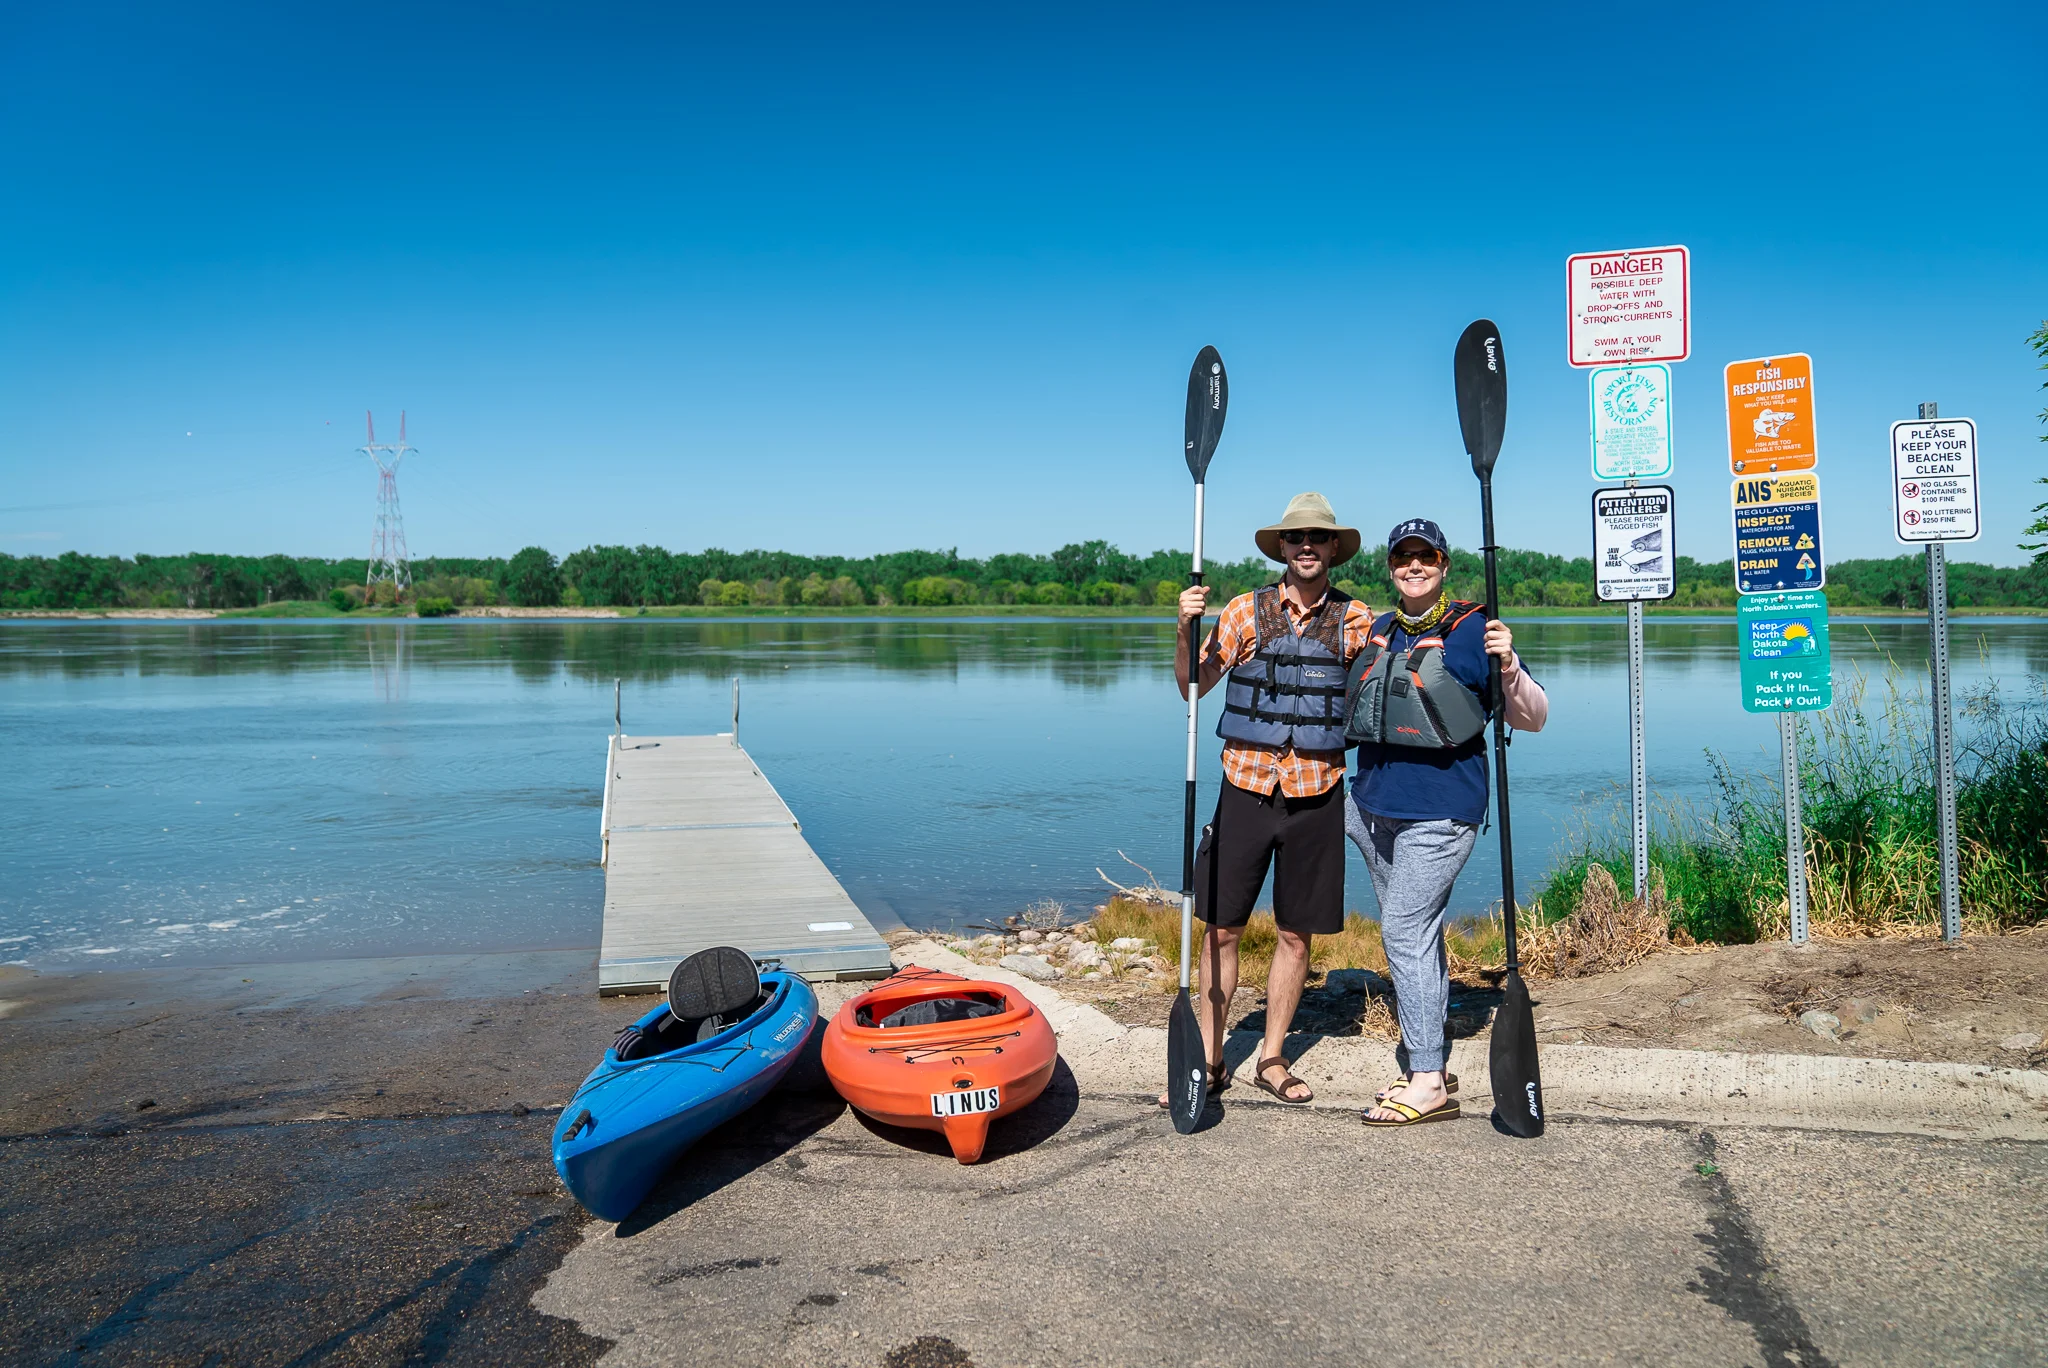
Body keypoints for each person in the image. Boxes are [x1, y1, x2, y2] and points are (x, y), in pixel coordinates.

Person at [1161, 492, 1375, 1109]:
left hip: (1318, 793)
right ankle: (1210, 1053)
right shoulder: (1242, 614)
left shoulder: (1358, 621)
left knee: (1295, 935)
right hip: (1246, 788)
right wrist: (1182, 629)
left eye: (1317, 537)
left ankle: (1273, 1056)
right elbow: (1193, 687)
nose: (1305, 546)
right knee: (1221, 928)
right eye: (1294, 537)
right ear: (1281, 547)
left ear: (1334, 548)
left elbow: (1398, 670)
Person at [1347, 517, 1547, 1127]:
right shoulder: (1377, 630)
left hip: (1442, 811)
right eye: (1403, 557)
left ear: (1444, 563)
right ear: (1390, 566)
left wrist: (1508, 664)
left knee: (1403, 932)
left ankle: (1429, 1078)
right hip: (1372, 807)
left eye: (1425, 556)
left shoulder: (1476, 632)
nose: (1414, 566)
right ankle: (1424, 1055)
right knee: (1417, 934)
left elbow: (1534, 716)